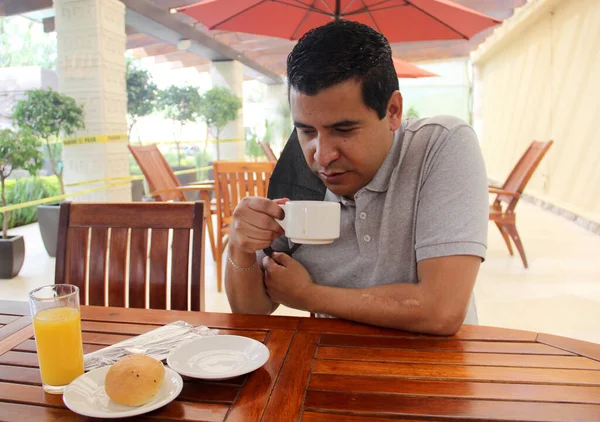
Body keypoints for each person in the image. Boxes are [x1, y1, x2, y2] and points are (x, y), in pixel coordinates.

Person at [224, 20, 488, 335]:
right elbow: (251, 311)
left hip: (434, 369)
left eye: (344, 130)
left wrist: (311, 296)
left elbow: (441, 311)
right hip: (324, 364)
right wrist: (240, 248)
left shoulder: (440, 144)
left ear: (392, 111)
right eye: (306, 130)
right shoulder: (296, 172)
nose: (321, 156)